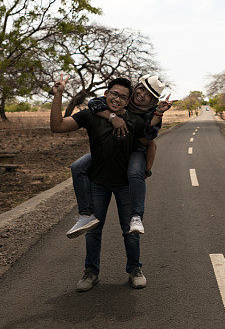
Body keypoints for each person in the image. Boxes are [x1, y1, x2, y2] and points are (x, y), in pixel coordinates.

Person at [50, 76, 149, 291]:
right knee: (93, 229)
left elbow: (149, 144)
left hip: (125, 184)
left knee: (129, 230)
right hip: (98, 182)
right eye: (114, 93)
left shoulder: (135, 121)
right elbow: (57, 126)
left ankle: (135, 269)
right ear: (106, 94)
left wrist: (145, 170)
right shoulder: (91, 115)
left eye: (123, 96)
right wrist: (58, 95)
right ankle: (91, 272)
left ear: (128, 100)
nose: (117, 98)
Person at [66, 75, 171, 239]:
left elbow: (150, 141)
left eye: (149, 95)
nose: (142, 95)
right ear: (135, 88)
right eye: (142, 89)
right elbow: (94, 103)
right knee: (78, 166)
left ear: (152, 102)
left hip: (134, 151)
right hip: (109, 151)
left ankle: (136, 216)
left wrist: (148, 168)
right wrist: (112, 116)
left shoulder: (151, 114)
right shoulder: (123, 99)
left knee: (135, 172)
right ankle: (85, 215)